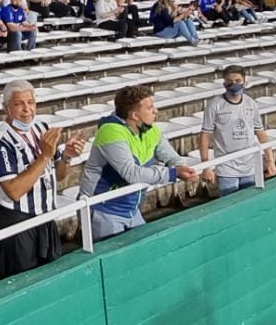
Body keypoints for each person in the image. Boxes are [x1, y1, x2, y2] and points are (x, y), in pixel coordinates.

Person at [0, 80, 83, 279]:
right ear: (6, 108)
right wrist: (45, 156)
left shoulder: (41, 127)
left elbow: (59, 176)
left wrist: (66, 156)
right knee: (22, 281)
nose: (27, 109)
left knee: (52, 277)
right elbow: (13, 191)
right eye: (19, 104)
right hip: (18, 221)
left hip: (46, 217)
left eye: (31, 102)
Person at [78, 85, 197, 239]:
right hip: (104, 210)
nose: (155, 111)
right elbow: (131, 173)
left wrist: (180, 166)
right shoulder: (110, 132)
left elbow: (172, 158)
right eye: (150, 108)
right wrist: (173, 173)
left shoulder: (151, 130)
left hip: (131, 209)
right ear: (135, 115)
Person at [199, 65, 276, 196]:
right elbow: (204, 136)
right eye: (230, 81)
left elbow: (260, 133)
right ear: (224, 83)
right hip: (226, 169)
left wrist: (270, 160)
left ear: (244, 82)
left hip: (250, 166)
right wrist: (206, 166)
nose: (234, 84)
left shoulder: (251, 104)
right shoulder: (215, 105)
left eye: (237, 80)